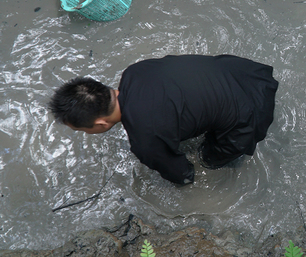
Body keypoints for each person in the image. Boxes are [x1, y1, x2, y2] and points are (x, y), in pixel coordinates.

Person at [49, 54, 278, 185]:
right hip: (247, 74)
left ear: (101, 124)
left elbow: (182, 174)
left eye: (81, 130)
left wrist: (193, 174)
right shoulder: (135, 72)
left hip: (249, 114)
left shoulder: (144, 139)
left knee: (209, 160)